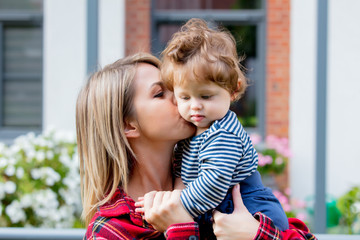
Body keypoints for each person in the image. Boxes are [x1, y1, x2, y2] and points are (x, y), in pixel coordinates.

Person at [77, 52, 316, 239]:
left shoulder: (215, 171)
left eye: (176, 86)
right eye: (160, 93)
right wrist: (180, 229)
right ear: (128, 125)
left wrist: (256, 234)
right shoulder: (112, 231)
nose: (185, 98)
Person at [156, 18, 288, 235]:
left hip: (250, 207)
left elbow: (215, 179)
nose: (195, 106)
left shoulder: (223, 132)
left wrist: (179, 207)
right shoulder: (189, 133)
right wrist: (174, 196)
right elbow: (181, 174)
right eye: (185, 97)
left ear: (233, 90)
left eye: (206, 96)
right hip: (214, 208)